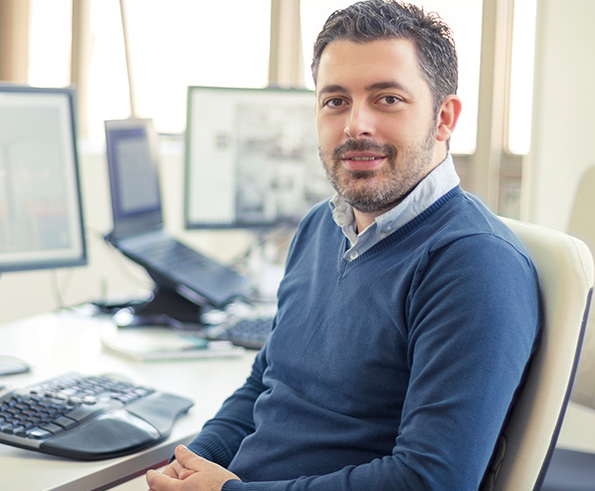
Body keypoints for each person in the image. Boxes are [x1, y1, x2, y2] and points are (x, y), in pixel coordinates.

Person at [146, 1, 541, 490]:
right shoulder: (319, 227)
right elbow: (264, 388)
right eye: (335, 101)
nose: (356, 125)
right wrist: (192, 461)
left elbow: (430, 481)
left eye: (387, 99)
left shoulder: (474, 264)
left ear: (444, 118)